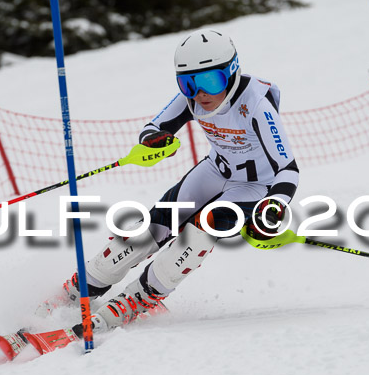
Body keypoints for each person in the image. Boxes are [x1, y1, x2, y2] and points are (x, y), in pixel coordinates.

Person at [46, 29, 300, 334]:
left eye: (209, 81)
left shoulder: (256, 104)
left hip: (255, 186)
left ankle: (139, 298)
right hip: (215, 171)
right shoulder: (192, 98)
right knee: (156, 223)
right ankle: (81, 288)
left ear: (231, 73)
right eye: (188, 83)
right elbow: (155, 126)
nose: (200, 93)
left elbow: (288, 169)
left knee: (204, 228)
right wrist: (154, 141)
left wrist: (273, 205)